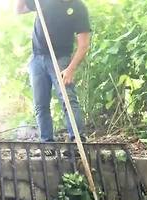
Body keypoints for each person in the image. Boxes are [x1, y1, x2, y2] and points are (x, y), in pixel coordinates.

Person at [16, 0, 91, 144]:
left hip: (60, 60)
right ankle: (47, 142)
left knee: (68, 100)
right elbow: (20, 10)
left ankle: (77, 140)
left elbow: (83, 45)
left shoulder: (78, 7)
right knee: (40, 104)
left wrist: (70, 69)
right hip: (37, 59)